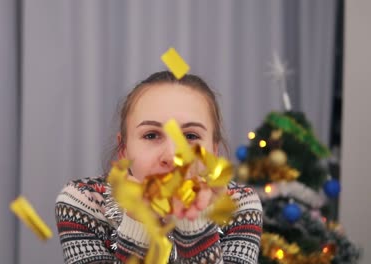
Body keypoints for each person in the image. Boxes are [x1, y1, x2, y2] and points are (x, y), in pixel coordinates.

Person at [55, 71, 263, 264]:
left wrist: (194, 224)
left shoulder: (239, 205)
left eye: (190, 136)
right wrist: (139, 222)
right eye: (151, 135)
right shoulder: (82, 201)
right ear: (124, 150)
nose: (172, 157)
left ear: (214, 151)